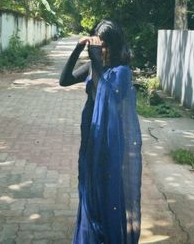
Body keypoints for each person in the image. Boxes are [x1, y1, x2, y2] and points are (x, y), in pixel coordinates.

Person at [59, 19, 142, 244]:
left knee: (108, 189)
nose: (101, 49)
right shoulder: (95, 65)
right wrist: (78, 48)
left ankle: (108, 236)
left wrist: (97, 59)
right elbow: (64, 80)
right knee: (88, 186)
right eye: (98, 45)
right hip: (91, 135)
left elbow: (106, 94)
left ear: (114, 46)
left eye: (104, 46)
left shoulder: (121, 72)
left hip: (111, 142)